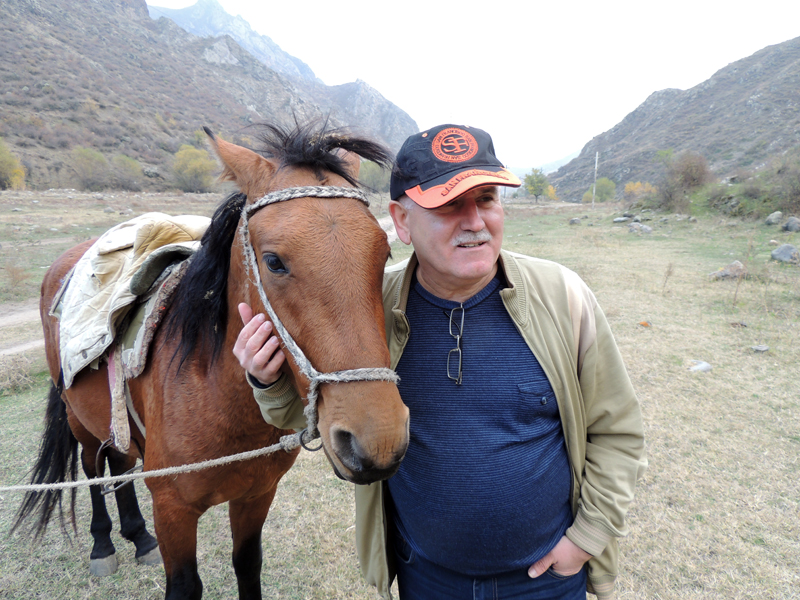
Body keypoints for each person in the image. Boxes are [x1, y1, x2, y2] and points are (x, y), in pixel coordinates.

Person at [234, 124, 647, 600]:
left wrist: (586, 539)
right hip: (425, 578)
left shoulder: (564, 297)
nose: (475, 221)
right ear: (402, 221)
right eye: (449, 204)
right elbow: (306, 418)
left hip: (547, 582)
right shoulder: (372, 304)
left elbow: (618, 431)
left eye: (487, 198)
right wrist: (267, 380)